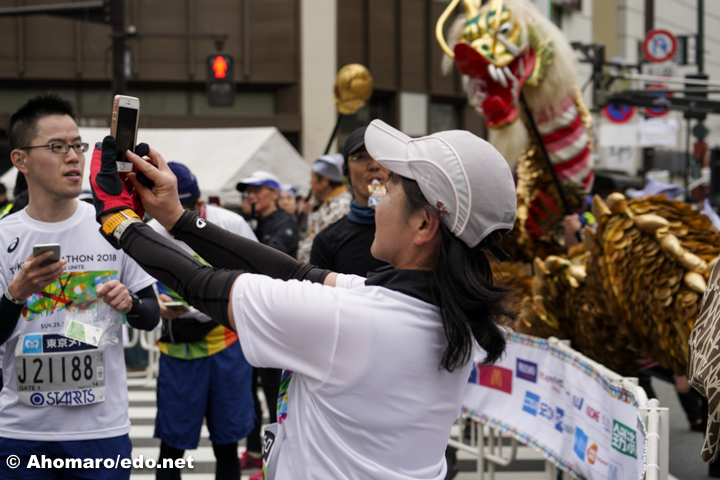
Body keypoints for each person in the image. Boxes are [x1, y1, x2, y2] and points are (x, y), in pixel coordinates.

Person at [89, 119, 517, 479]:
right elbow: (296, 273)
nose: (376, 200)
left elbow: (202, 284)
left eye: (389, 190)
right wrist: (178, 219)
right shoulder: (440, 310)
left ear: (423, 224)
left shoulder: (355, 320)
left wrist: (117, 218)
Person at [0, 94, 159, 479]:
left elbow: (151, 315)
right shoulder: (3, 236)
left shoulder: (115, 225)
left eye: (77, 145)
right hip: (21, 433)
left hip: (100, 432)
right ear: (20, 160)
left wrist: (131, 304)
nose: (73, 157)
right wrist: (15, 295)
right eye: (57, 147)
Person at [148, 162, 256, 480]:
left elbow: (259, 273)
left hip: (226, 345)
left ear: (200, 200)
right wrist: (154, 302)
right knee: (172, 449)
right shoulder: (150, 232)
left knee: (226, 445)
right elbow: (133, 283)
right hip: (178, 350)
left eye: (188, 207)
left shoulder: (229, 223)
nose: (177, 217)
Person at [235, 170, 299, 471]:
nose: (251, 196)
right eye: (248, 191)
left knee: (274, 391)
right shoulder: (253, 222)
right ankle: (255, 450)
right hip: (252, 317)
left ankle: (276, 462)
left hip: (276, 320)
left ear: (274, 193)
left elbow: (267, 263)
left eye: (257, 190)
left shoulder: (284, 223)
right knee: (249, 390)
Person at [310, 126, 391, 276]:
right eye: (361, 157)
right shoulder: (326, 242)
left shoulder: (419, 229)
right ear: (345, 170)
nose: (374, 165)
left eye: (381, 156)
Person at [296, 154, 352, 263]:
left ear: (325, 180)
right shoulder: (329, 204)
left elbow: (320, 247)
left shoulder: (340, 206)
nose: (310, 182)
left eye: (312, 177)